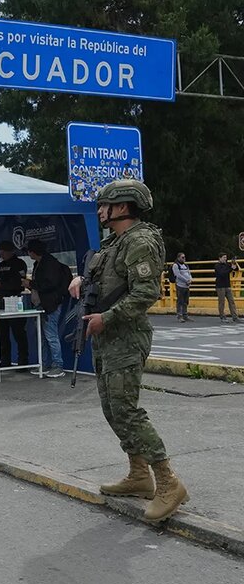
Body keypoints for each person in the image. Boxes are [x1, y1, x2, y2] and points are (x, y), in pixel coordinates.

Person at [68, 179, 187, 522]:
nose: (100, 210)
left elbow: (146, 292)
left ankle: (168, 482)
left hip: (126, 335)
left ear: (122, 207)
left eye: (105, 204)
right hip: (107, 335)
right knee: (112, 408)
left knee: (127, 409)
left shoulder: (140, 241)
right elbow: (103, 280)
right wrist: (80, 280)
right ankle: (139, 475)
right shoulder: (114, 243)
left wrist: (107, 317)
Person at [24, 239, 72, 378]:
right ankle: (44, 364)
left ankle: (58, 365)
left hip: (50, 305)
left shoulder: (50, 264)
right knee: (43, 336)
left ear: (33, 252)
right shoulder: (38, 264)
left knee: (51, 335)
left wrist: (31, 283)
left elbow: (49, 284)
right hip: (40, 304)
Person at [0, 240, 29, 368]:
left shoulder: (19, 264)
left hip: (14, 300)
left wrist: (1, 284)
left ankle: (23, 361)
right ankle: (4, 361)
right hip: (0, 301)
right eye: (0, 252)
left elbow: (19, 282)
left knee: (18, 332)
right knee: (2, 333)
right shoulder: (0, 265)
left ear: (10, 251)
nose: (1, 254)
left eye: (3, 251)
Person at [214, 253, 238, 323]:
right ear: (220, 258)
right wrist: (231, 269)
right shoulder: (217, 266)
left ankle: (235, 316)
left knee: (231, 301)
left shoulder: (227, 264)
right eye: (224, 257)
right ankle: (222, 316)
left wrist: (234, 263)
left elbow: (236, 269)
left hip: (227, 285)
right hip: (220, 286)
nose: (225, 259)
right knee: (222, 302)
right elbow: (222, 273)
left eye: (226, 257)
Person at [171, 252, 193, 322]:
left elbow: (189, 273)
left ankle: (185, 315)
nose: (184, 259)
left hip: (187, 286)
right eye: (182, 257)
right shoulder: (175, 265)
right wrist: (186, 280)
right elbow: (178, 275)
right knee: (180, 301)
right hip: (180, 285)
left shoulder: (186, 265)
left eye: (184, 257)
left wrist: (190, 280)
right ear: (178, 258)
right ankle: (179, 316)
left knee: (186, 301)